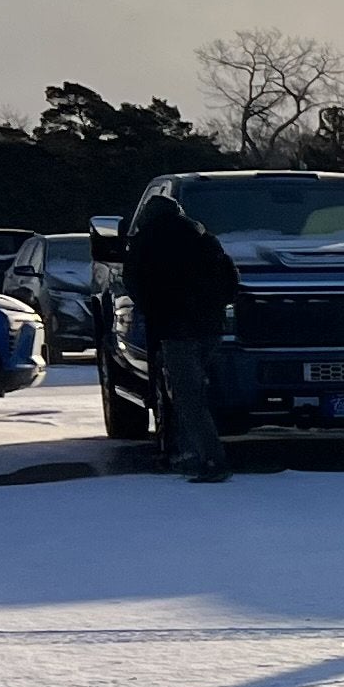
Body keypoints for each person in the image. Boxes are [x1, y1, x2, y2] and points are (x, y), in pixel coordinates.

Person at [120, 192, 241, 482]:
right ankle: (193, 454)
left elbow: (133, 281)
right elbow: (229, 277)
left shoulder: (146, 241)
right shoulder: (203, 237)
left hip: (174, 330)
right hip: (210, 329)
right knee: (197, 393)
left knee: (187, 398)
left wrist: (153, 311)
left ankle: (208, 460)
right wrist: (217, 308)